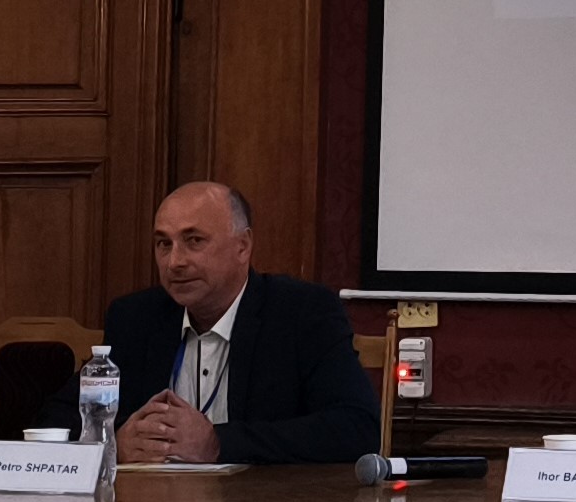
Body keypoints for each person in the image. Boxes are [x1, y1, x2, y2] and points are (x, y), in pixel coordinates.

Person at [100, 182, 377, 467]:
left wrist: (219, 444)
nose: (174, 262)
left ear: (242, 247)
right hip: (153, 494)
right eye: (164, 244)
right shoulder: (134, 318)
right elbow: (74, 414)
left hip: (260, 494)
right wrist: (113, 441)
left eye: (194, 241)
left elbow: (357, 427)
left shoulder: (303, 312)